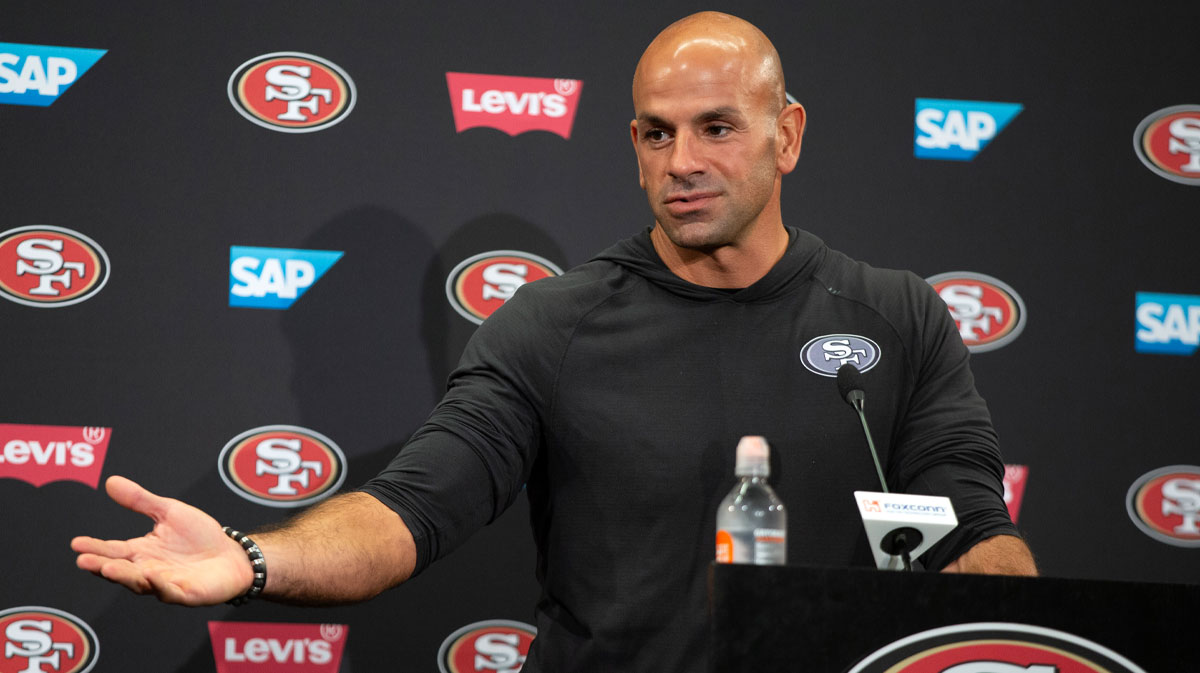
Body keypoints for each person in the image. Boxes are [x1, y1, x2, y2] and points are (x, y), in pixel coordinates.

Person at [72, 11, 1036, 671]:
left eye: (716, 128)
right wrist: (251, 556)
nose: (683, 163)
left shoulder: (895, 316)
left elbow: (975, 531)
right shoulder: (550, 325)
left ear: (786, 134)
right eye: (656, 135)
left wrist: (1021, 636)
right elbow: (410, 511)